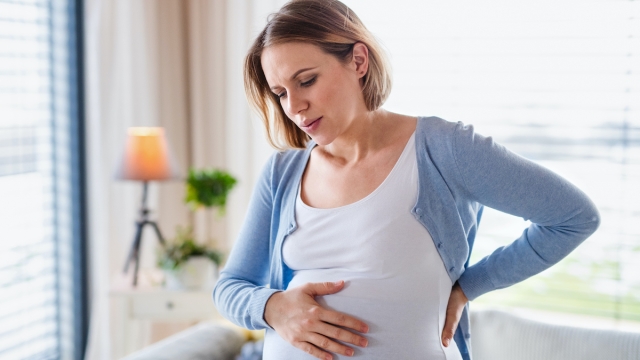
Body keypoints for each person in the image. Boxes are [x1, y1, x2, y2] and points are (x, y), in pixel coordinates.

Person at [213, 1, 600, 359]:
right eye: (280, 93)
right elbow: (230, 286)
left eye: (307, 81)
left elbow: (573, 217)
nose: (295, 107)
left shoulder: (444, 149)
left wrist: (468, 286)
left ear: (358, 60)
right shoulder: (283, 173)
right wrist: (272, 307)